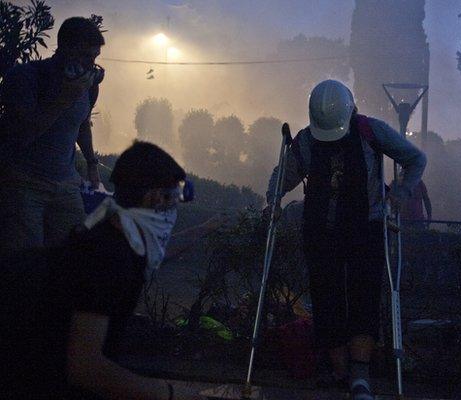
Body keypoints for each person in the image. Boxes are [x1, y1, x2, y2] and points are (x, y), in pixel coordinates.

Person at [1, 142, 218, 399]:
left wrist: (206, 228)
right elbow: (85, 367)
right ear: (153, 199)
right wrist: (170, 394)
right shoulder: (108, 260)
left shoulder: (113, 238)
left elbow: (162, 250)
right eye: (172, 200)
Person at [265, 80, 426, 400]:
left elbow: (414, 159)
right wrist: (273, 201)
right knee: (327, 300)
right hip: (321, 231)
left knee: (364, 297)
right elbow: (283, 175)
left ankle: (360, 376)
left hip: (365, 226)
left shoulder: (370, 131)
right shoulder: (307, 142)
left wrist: (403, 193)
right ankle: (341, 372)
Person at [0, 17, 105, 252]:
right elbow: (22, 134)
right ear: (66, 48)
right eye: (87, 56)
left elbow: (82, 124)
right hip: (23, 184)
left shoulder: (88, 86)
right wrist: (65, 97)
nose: (92, 65)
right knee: (25, 262)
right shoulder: (26, 78)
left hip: (66, 185)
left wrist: (91, 163)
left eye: (95, 58)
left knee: (71, 255)